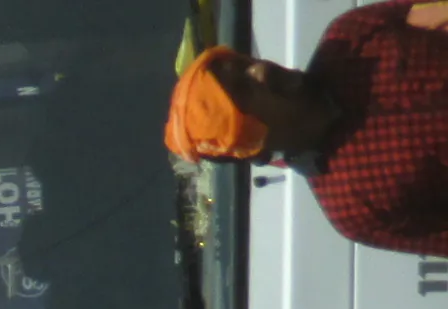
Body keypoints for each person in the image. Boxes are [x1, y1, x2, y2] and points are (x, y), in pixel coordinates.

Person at [166, 4, 448, 257]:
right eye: (244, 89)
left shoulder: (351, 36)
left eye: (243, 65)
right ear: (254, 141)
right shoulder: (354, 206)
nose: (260, 69)